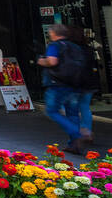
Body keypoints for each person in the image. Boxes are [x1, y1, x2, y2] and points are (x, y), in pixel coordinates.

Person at [36, 24, 93, 154]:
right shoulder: (75, 47)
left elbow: (52, 61)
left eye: (50, 33)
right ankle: (74, 145)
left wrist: (41, 61)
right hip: (74, 85)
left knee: (52, 111)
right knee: (72, 113)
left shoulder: (54, 45)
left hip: (57, 84)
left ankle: (77, 134)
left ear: (53, 34)